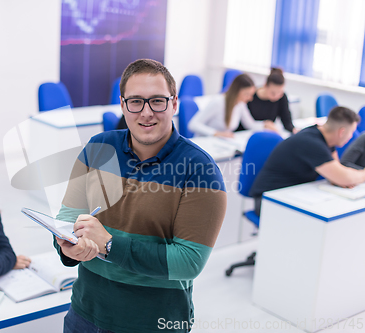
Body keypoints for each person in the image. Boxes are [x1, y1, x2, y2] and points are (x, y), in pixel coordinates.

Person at [54, 59, 227, 333]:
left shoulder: (200, 169)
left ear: (174, 104)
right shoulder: (98, 147)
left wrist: (110, 245)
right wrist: (68, 245)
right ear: (123, 105)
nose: (146, 113)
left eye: (157, 101)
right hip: (85, 313)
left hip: (153, 323)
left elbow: (189, 261)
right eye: (136, 102)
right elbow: (66, 217)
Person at [250, 106, 364, 216]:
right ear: (341, 132)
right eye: (351, 132)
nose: (351, 137)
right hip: (268, 201)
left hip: (288, 195)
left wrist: (340, 178)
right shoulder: (312, 143)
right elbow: (344, 177)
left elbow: (337, 174)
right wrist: (345, 177)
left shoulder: (324, 137)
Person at [188, 74, 277, 138]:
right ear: (237, 91)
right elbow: (193, 124)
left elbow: (250, 124)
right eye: (247, 94)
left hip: (219, 143)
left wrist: (265, 125)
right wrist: (216, 133)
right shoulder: (218, 102)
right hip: (205, 142)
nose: (250, 98)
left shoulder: (240, 104)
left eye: (251, 95)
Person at [241, 68, 296, 133]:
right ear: (265, 86)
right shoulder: (250, 96)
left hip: (266, 133)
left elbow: (287, 121)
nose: (276, 96)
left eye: (280, 93)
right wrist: (265, 124)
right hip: (246, 132)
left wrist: (294, 130)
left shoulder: (282, 97)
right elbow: (245, 123)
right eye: (273, 93)